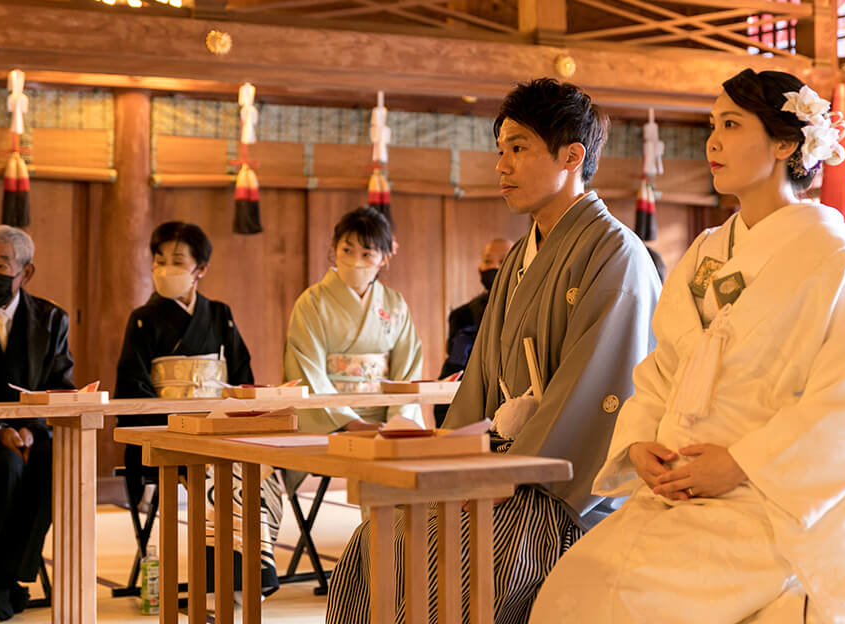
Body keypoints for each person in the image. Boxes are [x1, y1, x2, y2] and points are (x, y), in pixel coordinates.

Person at [529, 69, 845, 623]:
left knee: (627, 601)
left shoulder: (829, 258)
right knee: (573, 586)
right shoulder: (705, 253)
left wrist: (742, 464)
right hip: (679, 487)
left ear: (785, 144)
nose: (713, 142)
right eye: (712, 125)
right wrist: (640, 444)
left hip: (766, 501)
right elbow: (663, 368)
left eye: (731, 124)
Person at [325, 77, 661, 624]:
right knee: (379, 535)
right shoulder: (518, 260)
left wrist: (511, 475)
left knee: (457, 559)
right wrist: (456, 465)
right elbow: (480, 377)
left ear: (572, 156)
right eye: (500, 150)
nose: (501, 166)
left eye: (519, 148)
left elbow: (599, 392)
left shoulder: (617, 254)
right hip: (501, 467)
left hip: (558, 487)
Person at [114, 220, 283, 598]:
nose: (165, 269)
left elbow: (242, 379)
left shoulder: (220, 315)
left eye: (177, 261)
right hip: (168, 431)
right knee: (219, 471)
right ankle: (233, 575)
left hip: (218, 427)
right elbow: (132, 389)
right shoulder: (142, 319)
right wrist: (178, 425)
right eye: (159, 260)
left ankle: (248, 569)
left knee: (259, 467)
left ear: (200, 269)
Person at [0, 225, 74, 621]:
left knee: (55, 466)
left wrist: (32, 428)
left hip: (33, 435)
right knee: (7, 468)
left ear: (25, 273)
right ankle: (1, 578)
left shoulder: (51, 319)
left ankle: (8, 572)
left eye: (0, 266)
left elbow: (61, 387)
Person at [283, 205, 425, 433]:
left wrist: (397, 423)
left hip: (386, 422)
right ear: (335, 248)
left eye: (366, 254)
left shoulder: (395, 304)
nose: (355, 261)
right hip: (331, 424)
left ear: (384, 258)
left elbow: (407, 370)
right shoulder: (311, 303)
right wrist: (351, 423)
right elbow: (308, 372)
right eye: (347, 250)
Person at [434, 237, 513, 425]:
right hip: (471, 401)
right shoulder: (462, 316)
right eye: (488, 261)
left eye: (502, 261)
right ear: (480, 270)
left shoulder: (529, 311)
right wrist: (457, 359)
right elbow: (451, 374)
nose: (494, 267)